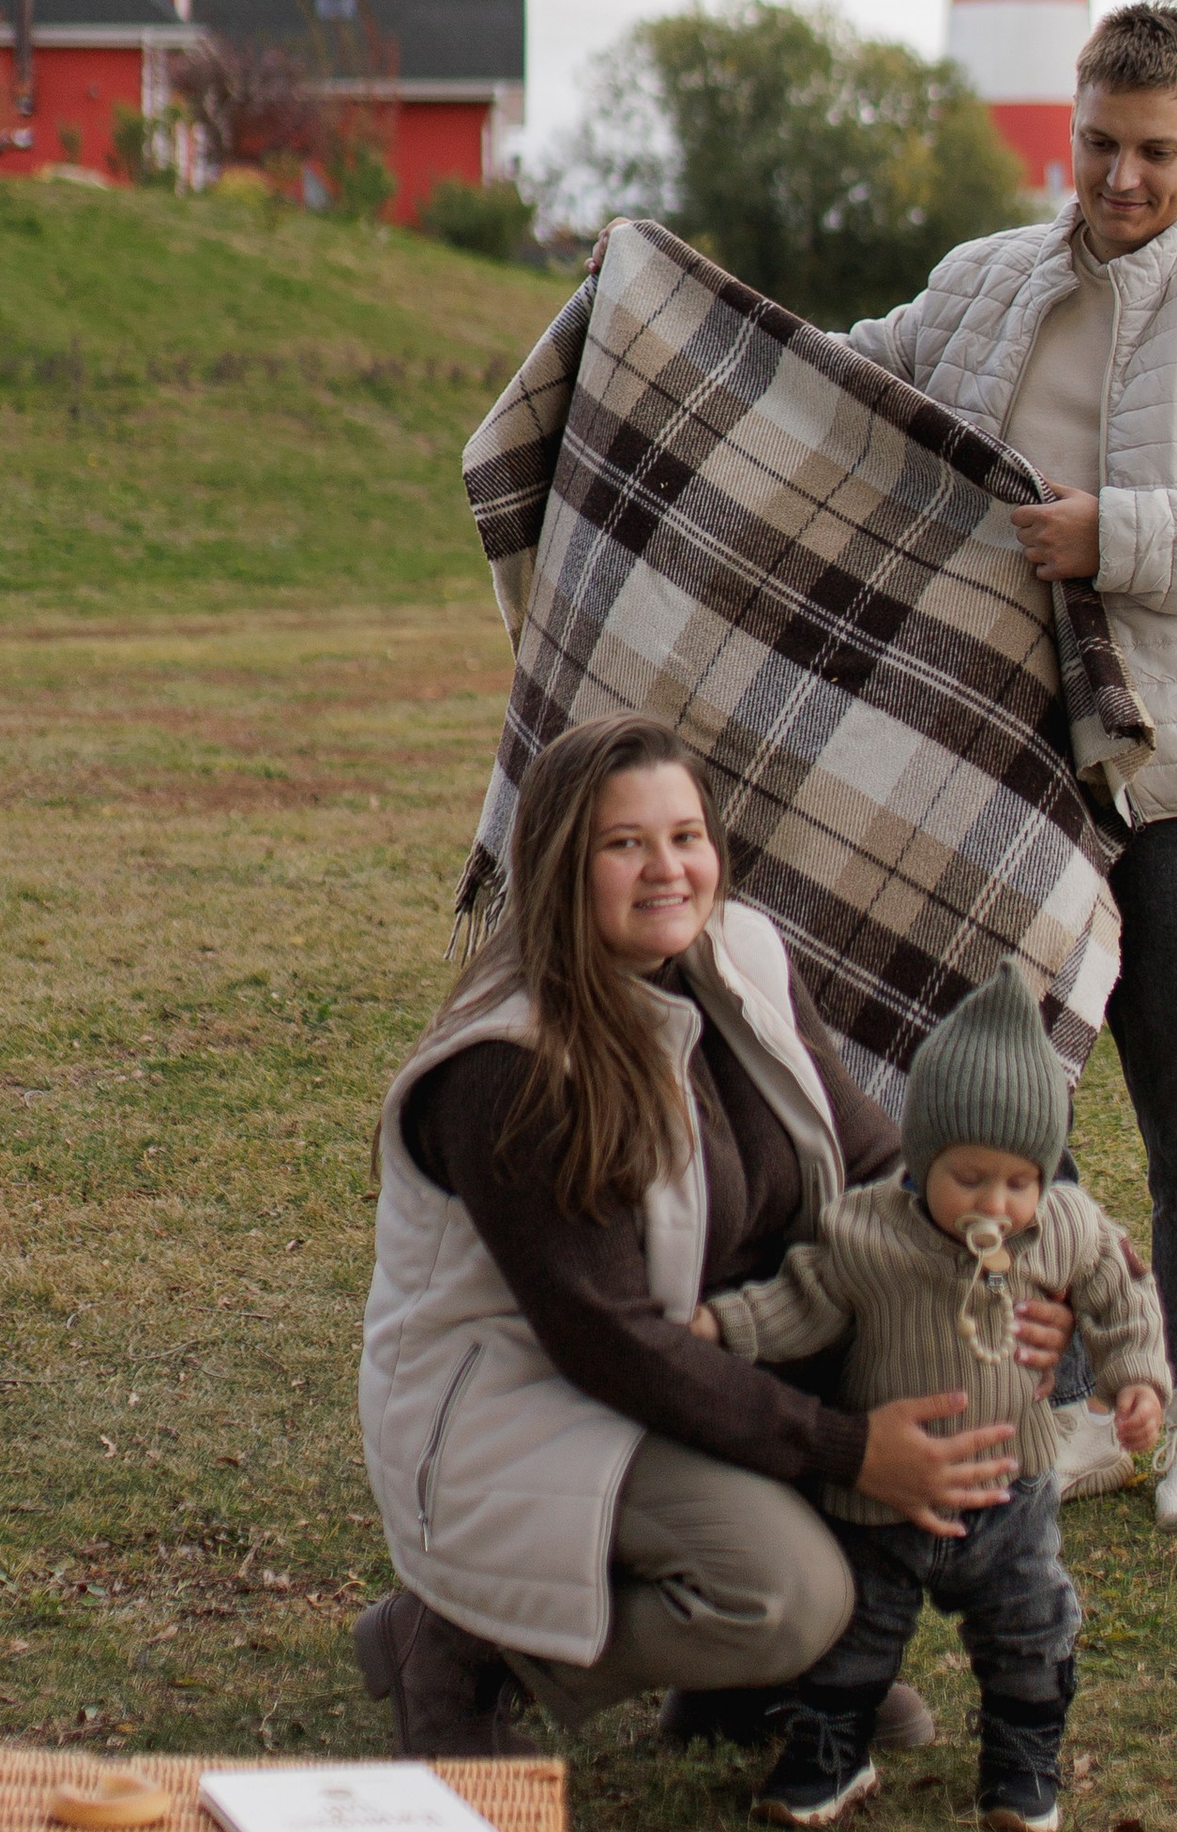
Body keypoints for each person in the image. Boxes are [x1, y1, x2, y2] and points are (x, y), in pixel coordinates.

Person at [846, 0, 1177, 1532]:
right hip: (1008, 774)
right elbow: (848, 380)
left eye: (1156, 151)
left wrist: (1117, 538)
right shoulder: (986, 285)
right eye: (1097, 144)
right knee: (1028, 1117)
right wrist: (670, 321)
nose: (1122, 178)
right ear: (1066, 131)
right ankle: (1078, 1403)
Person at [353, 712, 1076, 1754]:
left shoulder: (742, 951)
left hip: (704, 1349)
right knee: (781, 1592)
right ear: (561, 862)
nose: (667, 869)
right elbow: (608, 1340)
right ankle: (463, 1646)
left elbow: (872, 1165)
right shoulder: (510, 1065)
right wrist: (846, 1447)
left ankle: (757, 1686)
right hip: (531, 1404)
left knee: (940, 1373)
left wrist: (1009, 1278)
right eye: (624, 843)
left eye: (686, 836)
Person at [694, 962, 1169, 1832]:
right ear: (922, 1158)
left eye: (1018, 1181)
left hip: (1010, 1486)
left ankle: (1022, 1759)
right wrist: (723, 1326)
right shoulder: (870, 1231)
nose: (995, 1201)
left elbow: (1119, 1288)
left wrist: (1134, 1376)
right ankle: (833, 1745)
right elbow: (803, 1296)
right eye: (970, 1177)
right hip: (882, 1495)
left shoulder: (1063, 1226)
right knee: (858, 1627)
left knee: (1030, 1623)